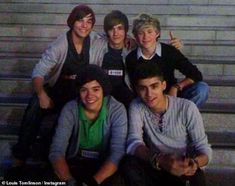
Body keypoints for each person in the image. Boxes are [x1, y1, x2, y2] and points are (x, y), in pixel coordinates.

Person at [11, 4, 99, 165]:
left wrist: (130, 39)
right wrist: (42, 94)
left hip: (79, 95)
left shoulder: (94, 39)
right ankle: (20, 155)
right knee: (35, 105)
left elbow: (113, 38)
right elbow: (38, 72)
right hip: (57, 92)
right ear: (72, 22)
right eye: (80, 20)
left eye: (89, 21)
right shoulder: (60, 45)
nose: (84, 25)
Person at [121, 63, 212, 186]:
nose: (149, 94)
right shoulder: (136, 106)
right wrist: (160, 159)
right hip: (155, 164)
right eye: (143, 88)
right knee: (129, 163)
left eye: (154, 86)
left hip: (182, 166)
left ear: (163, 85)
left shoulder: (187, 107)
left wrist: (194, 164)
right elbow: (133, 143)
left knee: (196, 176)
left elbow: (203, 148)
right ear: (136, 90)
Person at [49, 65, 127, 185]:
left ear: (103, 90)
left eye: (95, 89)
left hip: (103, 166)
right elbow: (57, 151)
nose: (90, 95)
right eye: (84, 90)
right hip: (75, 163)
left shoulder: (116, 109)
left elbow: (117, 153)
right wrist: (71, 182)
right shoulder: (70, 108)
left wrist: (92, 183)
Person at [91, 10, 183, 108]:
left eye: (120, 28)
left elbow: (151, 45)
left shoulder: (133, 49)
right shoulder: (98, 44)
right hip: (101, 92)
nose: (115, 33)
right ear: (106, 31)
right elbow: (85, 33)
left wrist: (173, 46)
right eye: (111, 29)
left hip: (126, 94)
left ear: (126, 31)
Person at [126, 13, 209, 108]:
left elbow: (195, 74)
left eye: (149, 32)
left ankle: (183, 117)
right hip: (147, 99)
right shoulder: (131, 58)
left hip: (171, 96)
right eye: (141, 33)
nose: (145, 37)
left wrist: (176, 87)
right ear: (135, 36)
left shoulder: (169, 51)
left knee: (202, 88)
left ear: (157, 33)